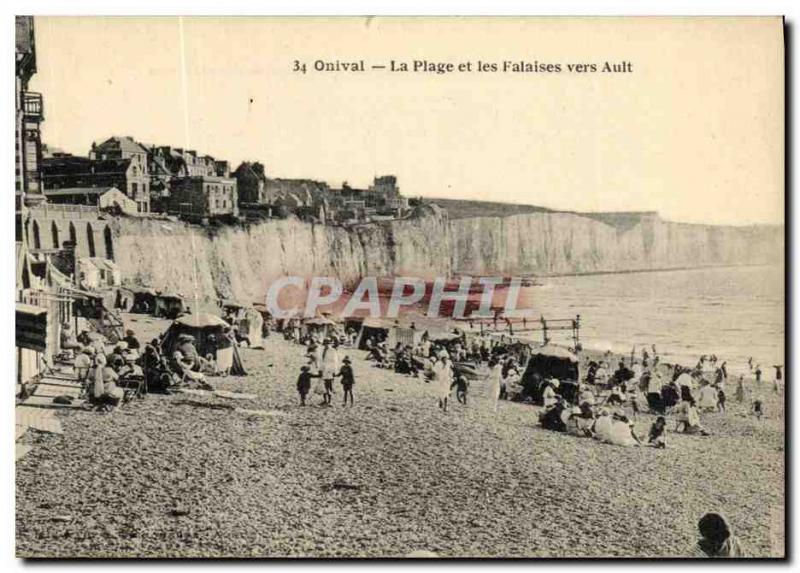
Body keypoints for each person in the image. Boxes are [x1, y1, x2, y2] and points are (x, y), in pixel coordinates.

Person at [320, 340, 340, 406]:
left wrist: (334, 371)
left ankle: (330, 401)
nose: (326, 345)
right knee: (324, 385)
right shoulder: (323, 351)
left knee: (330, 385)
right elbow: (322, 361)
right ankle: (325, 400)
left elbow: (335, 361)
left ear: (330, 344)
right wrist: (320, 369)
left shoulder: (333, 351)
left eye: (328, 344)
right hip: (324, 369)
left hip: (330, 370)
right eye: (325, 344)